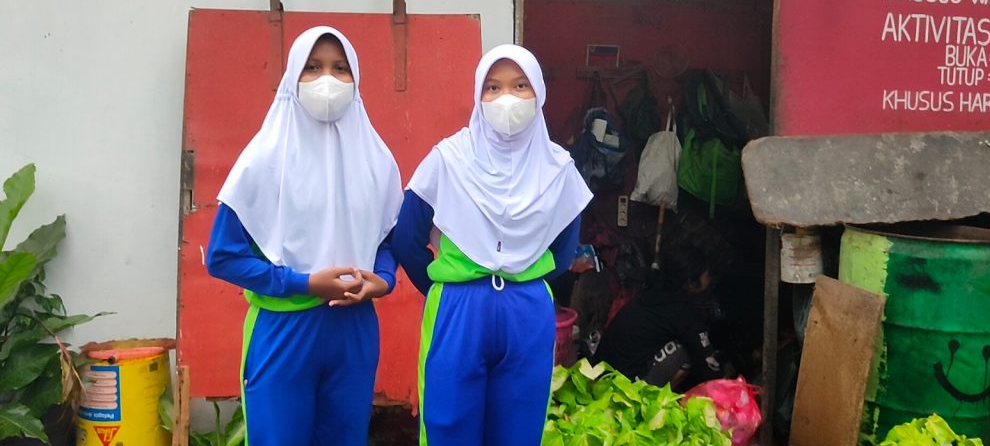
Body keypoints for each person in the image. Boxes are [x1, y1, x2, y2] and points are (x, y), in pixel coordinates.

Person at [206, 26, 403, 445]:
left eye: (340, 68)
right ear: (292, 77)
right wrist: (303, 283)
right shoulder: (262, 160)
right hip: (284, 327)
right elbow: (223, 256)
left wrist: (384, 280)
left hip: (353, 329)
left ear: (357, 78)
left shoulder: (377, 159)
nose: (327, 80)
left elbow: (388, 237)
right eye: (312, 67)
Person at [393, 44, 593, 445]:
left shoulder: (559, 169)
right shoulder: (448, 160)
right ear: (478, 96)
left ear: (538, 93)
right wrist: (442, 289)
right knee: (447, 426)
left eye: (520, 86)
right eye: (493, 87)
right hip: (457, 309)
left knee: (520, 430)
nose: (506, 99)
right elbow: (406, 237)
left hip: (526, 313)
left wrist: (522, 279)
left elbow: (563, 250)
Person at [593, 234, 724, 392]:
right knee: (685, 350)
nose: (710, 280)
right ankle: (649, 398)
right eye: (707, 275)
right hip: (623, 388)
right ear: (691, 282)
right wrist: (726, 386)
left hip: (599, 377)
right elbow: (708, 365)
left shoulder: (651, 294)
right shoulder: (683, 312)